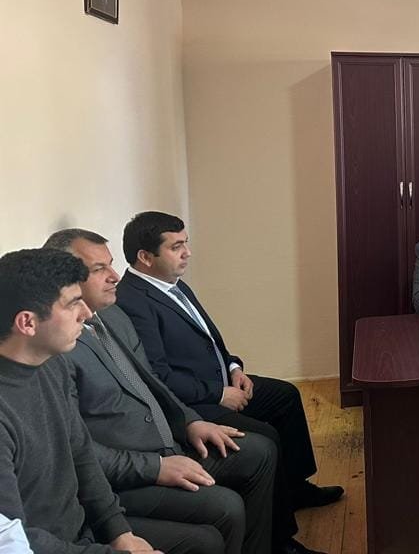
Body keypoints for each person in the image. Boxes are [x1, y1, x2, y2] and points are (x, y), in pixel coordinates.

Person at [46, 229, 321, 554]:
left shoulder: (113, 315)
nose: (114, 276)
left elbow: (152, 383)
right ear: (63, 278)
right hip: (128, 474)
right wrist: (156, 466)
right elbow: (79, 449)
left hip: (170, 442)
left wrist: (190, 422)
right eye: (98, 269)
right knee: (226, 506)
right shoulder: (58, 348)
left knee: (260, 451)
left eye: (110, 264)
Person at [113, 212, 343, 516]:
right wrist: (218, 394)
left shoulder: (171, 283)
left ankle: (295, 489)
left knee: (285, 396)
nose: (187, 253)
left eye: (186, 243)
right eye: (176, 246)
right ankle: (279, 532)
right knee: (266, 438)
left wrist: (234, 368)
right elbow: (157, 376)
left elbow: (209, 339)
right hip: (195, 403)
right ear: (145, 257)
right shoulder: (133, 301)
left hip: (219, 382)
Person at [0, 248, 159, 554]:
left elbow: (81, 454)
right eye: (73, 303)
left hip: (83, 532)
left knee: (206, 537)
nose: (86, 313)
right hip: (43, 547)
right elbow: (13, 539)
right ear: (27, 323)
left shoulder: (53, 365)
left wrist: (118, 531)